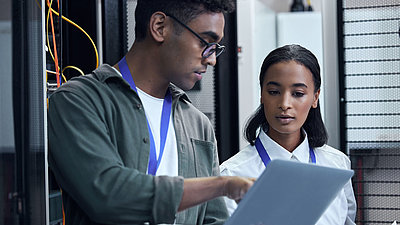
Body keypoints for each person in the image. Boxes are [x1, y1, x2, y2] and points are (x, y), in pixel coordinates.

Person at [48, 1, 254, 224]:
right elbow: (108, 196)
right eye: (206, 42)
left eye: (216, 48)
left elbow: (214, 219)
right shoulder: (78, 101)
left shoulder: (198, 124)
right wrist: (222, 185)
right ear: (159, 27)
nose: (212, 59)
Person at [220, 44, 357, 224]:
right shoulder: (232, 174)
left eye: (298, 93)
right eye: (274, 92)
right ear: (262, 94)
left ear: (315, 97)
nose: (285, 103)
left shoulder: (337, 165)